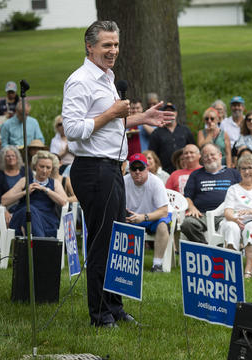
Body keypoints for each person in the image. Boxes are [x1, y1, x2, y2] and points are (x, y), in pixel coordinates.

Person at [62, 20, 174, 328]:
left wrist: (140, 118)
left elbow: (110, 125)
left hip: (113, 168)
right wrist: (112, 112)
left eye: (116, 44)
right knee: (103, 242)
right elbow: (73, 131)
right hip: (92, 169)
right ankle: (99, 315)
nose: (113, 51)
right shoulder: (80, 81)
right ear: (90, 46)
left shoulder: (107, 78)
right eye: (106, 45)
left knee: (117, 240)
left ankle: (114, 306)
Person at [181, 143, 241, 244]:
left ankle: (226, 251)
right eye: (206, 156)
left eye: (212, 154)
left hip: (225, 214)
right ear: (202, 160)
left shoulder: (233, 173)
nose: (209, 158)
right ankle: (205, 248)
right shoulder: (196, 175)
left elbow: (242, 193)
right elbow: (187, 196)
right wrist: (191, 207)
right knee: (187, 224)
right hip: (202, 214)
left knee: (232, 226)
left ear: (220, 156)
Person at [2, 150, 68, 237]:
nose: (44, 170)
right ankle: (39, 244)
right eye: (41, 166)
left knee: (33, 215)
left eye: (48, 168)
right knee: (31, 210)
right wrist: (25, 192)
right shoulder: (25, 181)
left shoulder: (55, 183)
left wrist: (45, 190)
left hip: (46, 218)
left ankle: (35, 243)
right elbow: (4, 200)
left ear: (52, 169)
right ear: (35, 166)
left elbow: (64, 202)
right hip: (24, 215)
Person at [124, 153, 171, 273]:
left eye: (141, 168)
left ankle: (157, 265)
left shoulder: (156, 182)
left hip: (153, 217)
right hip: (132, 218)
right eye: (134, 168)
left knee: (163, 226)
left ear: (147, 168)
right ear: (129, 169)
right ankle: (127, 263)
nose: (138, 171)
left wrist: (144, 217)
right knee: (118, 223)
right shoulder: (123, 181)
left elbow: (164, 211)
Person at [149, 102, 195, 173]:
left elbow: (193, 148)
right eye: (166, 112)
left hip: (185, 169)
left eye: (171, 111)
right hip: (165, 171)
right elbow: (153, 153)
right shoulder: (156, 133)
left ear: (176, 113)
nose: (169, 114)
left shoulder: (185, 130)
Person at [0, 146, 25, 223]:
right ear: (3, 159)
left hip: (23, 206)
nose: (11, 158)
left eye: (13, 155)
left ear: (17, 157)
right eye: (8, 156)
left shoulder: (25, 171)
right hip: (4, 206)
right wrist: (4, 210)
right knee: (7, 220)